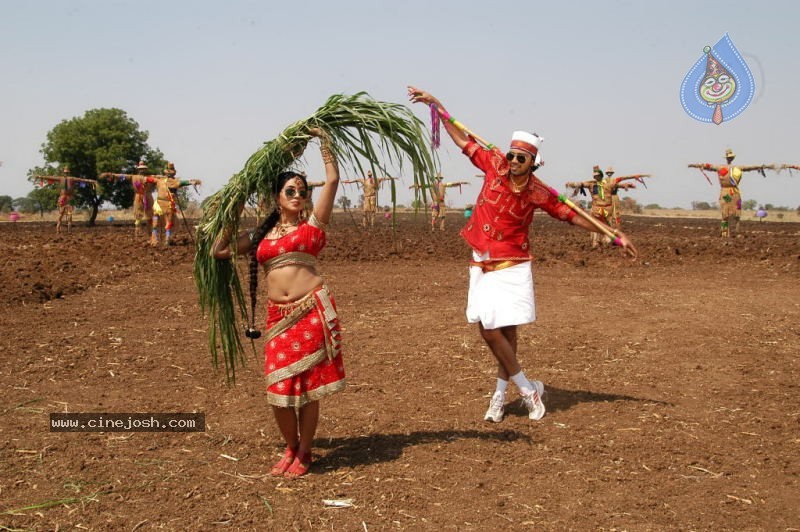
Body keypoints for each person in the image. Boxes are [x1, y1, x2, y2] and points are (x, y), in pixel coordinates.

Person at [408, 86, 637, 423]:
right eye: (512, 155)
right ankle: (525, 388)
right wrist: (438, 107)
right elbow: (463, 141)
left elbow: (570, 214)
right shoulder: (493, 163)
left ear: (533, 163)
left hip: (512, 264)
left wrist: (612, 234)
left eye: (521, 158)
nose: (513, 161)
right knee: (489, 329)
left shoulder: (537, 191)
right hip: (481, 259)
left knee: (502, 331)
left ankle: (501, 396)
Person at [211, 128, 343, 478]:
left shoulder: (313, 226)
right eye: (290, 191)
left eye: (302, 191)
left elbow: (332, 181)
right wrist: (233, 205)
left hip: (311, 312)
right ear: (277, 197)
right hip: (278, 318)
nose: (298, 195)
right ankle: (290, 445)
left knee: (308, 390)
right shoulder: (262, 235)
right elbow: (219, 251)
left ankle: (304, 451)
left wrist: (324, 142)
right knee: (279, 390)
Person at [689, 149, 775, 237]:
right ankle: (725, 233)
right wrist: (696, 165)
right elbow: (708, 166)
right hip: (727, 192)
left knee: (736, 214)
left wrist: (762, 166)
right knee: (725, 214)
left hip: (733, 193)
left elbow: (750, 167)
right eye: (729, 157)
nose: (729, 159)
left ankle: (736, 232)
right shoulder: (724, 168)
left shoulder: (733, 168)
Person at [566, 166, 648, 246]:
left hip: (607, 209)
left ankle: (607, 240)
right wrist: (571, 184)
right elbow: (580, 184)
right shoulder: (591, 184)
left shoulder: (610, 182)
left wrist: (630, 181)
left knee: (608, 229)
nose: (596, 177)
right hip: (596, 208)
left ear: (601, 175)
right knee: (595, 225)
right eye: (595, 176)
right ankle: (595, 242)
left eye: (598, 175)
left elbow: (621, 179)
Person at [99, 161, 156, 238]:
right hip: (138, 196)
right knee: (138, 214)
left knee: (150, 214)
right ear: (138, 170)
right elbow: (121, 176)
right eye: (141, 169)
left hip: (148, 196)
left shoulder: (151, 177)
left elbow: (160, 178)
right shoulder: (133, 177)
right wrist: (110, 174)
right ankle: (137, 232)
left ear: (146, 169)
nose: (142, 170)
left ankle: (151, 233)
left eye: (143, 169)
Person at [150, 162, 201, 246]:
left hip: (158, 204)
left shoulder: (160, 180)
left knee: (156, 223)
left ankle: (157, 240)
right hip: (166, 205)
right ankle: (165, 240)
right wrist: (191, 181)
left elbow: (150, 179)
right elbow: (182, 183)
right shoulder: (171, 181)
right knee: (168, 223)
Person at [36, 166, 96, 233]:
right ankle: (60, 231)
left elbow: (81, 180)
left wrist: (90, 181)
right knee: (63, 215)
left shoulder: (68, 178)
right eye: (66, 172)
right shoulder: (65, 178)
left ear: (66, 173)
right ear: (65, 173)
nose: (66, 174)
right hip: (65, 198)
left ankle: (66, 231)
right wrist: (41, 177)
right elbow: (50, 177)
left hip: (67, 198)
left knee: (67, 215)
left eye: (66, 172)